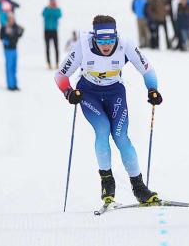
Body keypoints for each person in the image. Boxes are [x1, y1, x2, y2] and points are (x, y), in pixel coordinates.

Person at [54, 15, 163, 205]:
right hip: (89, 93)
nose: (106, 45)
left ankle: (139, 188)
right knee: (103, 129)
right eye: (101, 40)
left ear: (116, 36)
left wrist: (152, 89)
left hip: (115, 93)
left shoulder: (125, 44)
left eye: (110, 40)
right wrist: (69, 92)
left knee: (121, 135)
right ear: (94, 37)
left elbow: (147, 69)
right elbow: (60, 75)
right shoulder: (83, 46)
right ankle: (107, 181)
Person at [0, 13, 24, 91]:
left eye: (12, 18)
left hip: (14, 49)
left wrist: (21, 30)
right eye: (10, 18)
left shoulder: (15, 26)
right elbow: (1, 36)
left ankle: (14, 84)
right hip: (8, 50)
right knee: (9, 67)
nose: (11, 20)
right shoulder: (4, 27)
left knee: (14, 67)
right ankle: (10, 85)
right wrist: (5, 35)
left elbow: (19, 34)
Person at [42, 0, 62, 69]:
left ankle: (57, 63)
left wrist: (54, 9)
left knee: (56, 47)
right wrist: (49, 8)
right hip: (46, 30)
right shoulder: (46, 9)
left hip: (54, 30)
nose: (52, 2)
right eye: (51, 1)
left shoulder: (57, 9)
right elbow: (44, 14)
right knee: (47, 47)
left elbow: (59, 15)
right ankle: (48, 63)